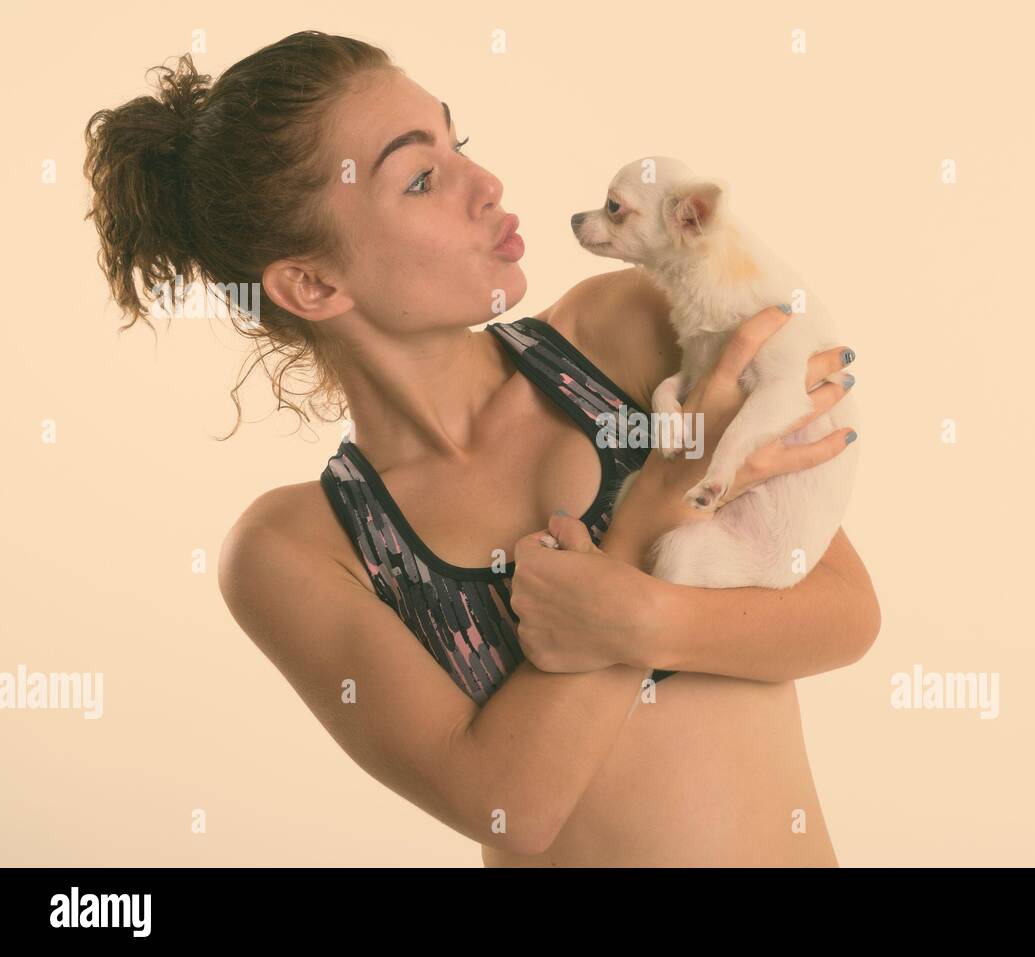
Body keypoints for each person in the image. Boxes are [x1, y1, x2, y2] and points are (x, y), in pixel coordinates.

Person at [83, 30, 881, 866]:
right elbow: (511, 807)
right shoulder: (299, 548)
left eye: (457, 141)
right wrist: (649, 516)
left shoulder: (624, 332)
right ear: (313, 284)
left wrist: (643, 613)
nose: (486, 183)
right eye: (422, 177)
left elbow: (845, 615)